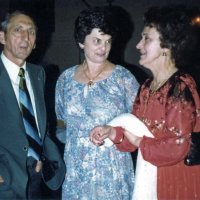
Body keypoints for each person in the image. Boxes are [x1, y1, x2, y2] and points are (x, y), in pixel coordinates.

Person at [90, 5, 200, 200]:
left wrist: (140, 142)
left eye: (146, 38)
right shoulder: (147, 87)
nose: (138, 45)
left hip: (176, 180)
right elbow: (133, 136)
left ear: (167, 46)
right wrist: (112, 132)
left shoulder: (180, 86)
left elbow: (179, 145)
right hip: (153, 176)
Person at [55, 6, 139, 200]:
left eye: (108, 41)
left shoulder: (124, 79)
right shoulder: (65, 80)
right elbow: (61, 124)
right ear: (81, 41)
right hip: (76, 174)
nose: (104, 47)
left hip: (113, 173)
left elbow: (139, 127)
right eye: (97, 41)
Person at [0, 11, 65, 199]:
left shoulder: (38, 74)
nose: (25, 37)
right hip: (5, 182)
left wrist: (48, 159)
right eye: (18, 29)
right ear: (2, 37)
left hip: (37, 176)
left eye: (31, 32)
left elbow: (39, 126)